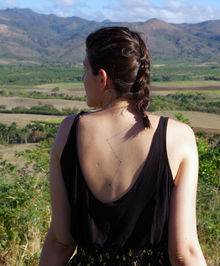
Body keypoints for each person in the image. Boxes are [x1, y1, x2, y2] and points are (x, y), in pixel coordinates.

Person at [39, 26, 206, 265]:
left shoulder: (69, 131)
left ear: (103, 78)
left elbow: (61, 240)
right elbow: (183, 251)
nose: (83, 79)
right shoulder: (178, 137)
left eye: (86, 70)